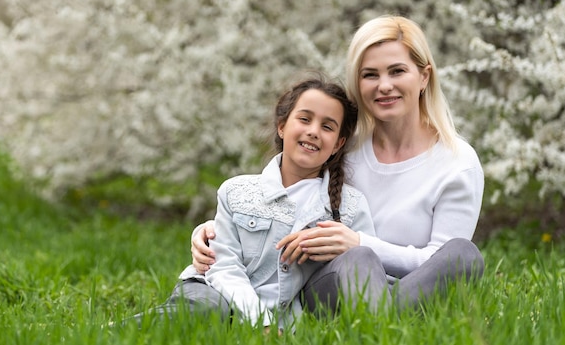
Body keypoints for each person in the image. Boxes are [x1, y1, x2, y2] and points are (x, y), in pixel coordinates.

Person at [191, 15, 485, 313]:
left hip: (412, 293)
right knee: (357, 261)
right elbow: (288, 198)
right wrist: (216, 229)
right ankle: (387, 328)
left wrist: (357, 242)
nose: (384, 85)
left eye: (397, 71)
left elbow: (439, 260)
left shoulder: (457, 162)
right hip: (332, 288)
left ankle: (382, 320)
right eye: (370, 75)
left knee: (463, 255)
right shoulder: (343, 146)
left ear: (424, 77)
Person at [135, 77, 379, 332]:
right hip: (218, 293)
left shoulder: (350, 207)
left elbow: (364, 274)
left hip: (287, 320)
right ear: (282, 126)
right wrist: (261, 321)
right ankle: (110, 330)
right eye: (304, 119)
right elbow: (224, 266)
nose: (314, 131)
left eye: (327, 127)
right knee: (206, 309)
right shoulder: (236, 191)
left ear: (338, 144)